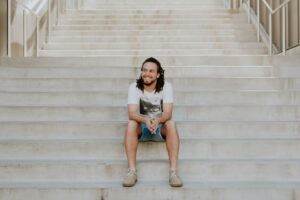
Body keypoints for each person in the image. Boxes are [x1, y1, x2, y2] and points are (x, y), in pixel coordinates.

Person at [123, 57, 183, 187]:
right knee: (131, 124)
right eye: (144, 70)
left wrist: (157, 121)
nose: (147, 74)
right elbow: (131, 113)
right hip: (142, 128)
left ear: (157, 74)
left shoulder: (166, 87)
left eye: (151, 71)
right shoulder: (134, 87)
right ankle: (132, 172)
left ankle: (173, 173)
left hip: (160, 127)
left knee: (171, 124)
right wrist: (145, 120)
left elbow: (168, 113)